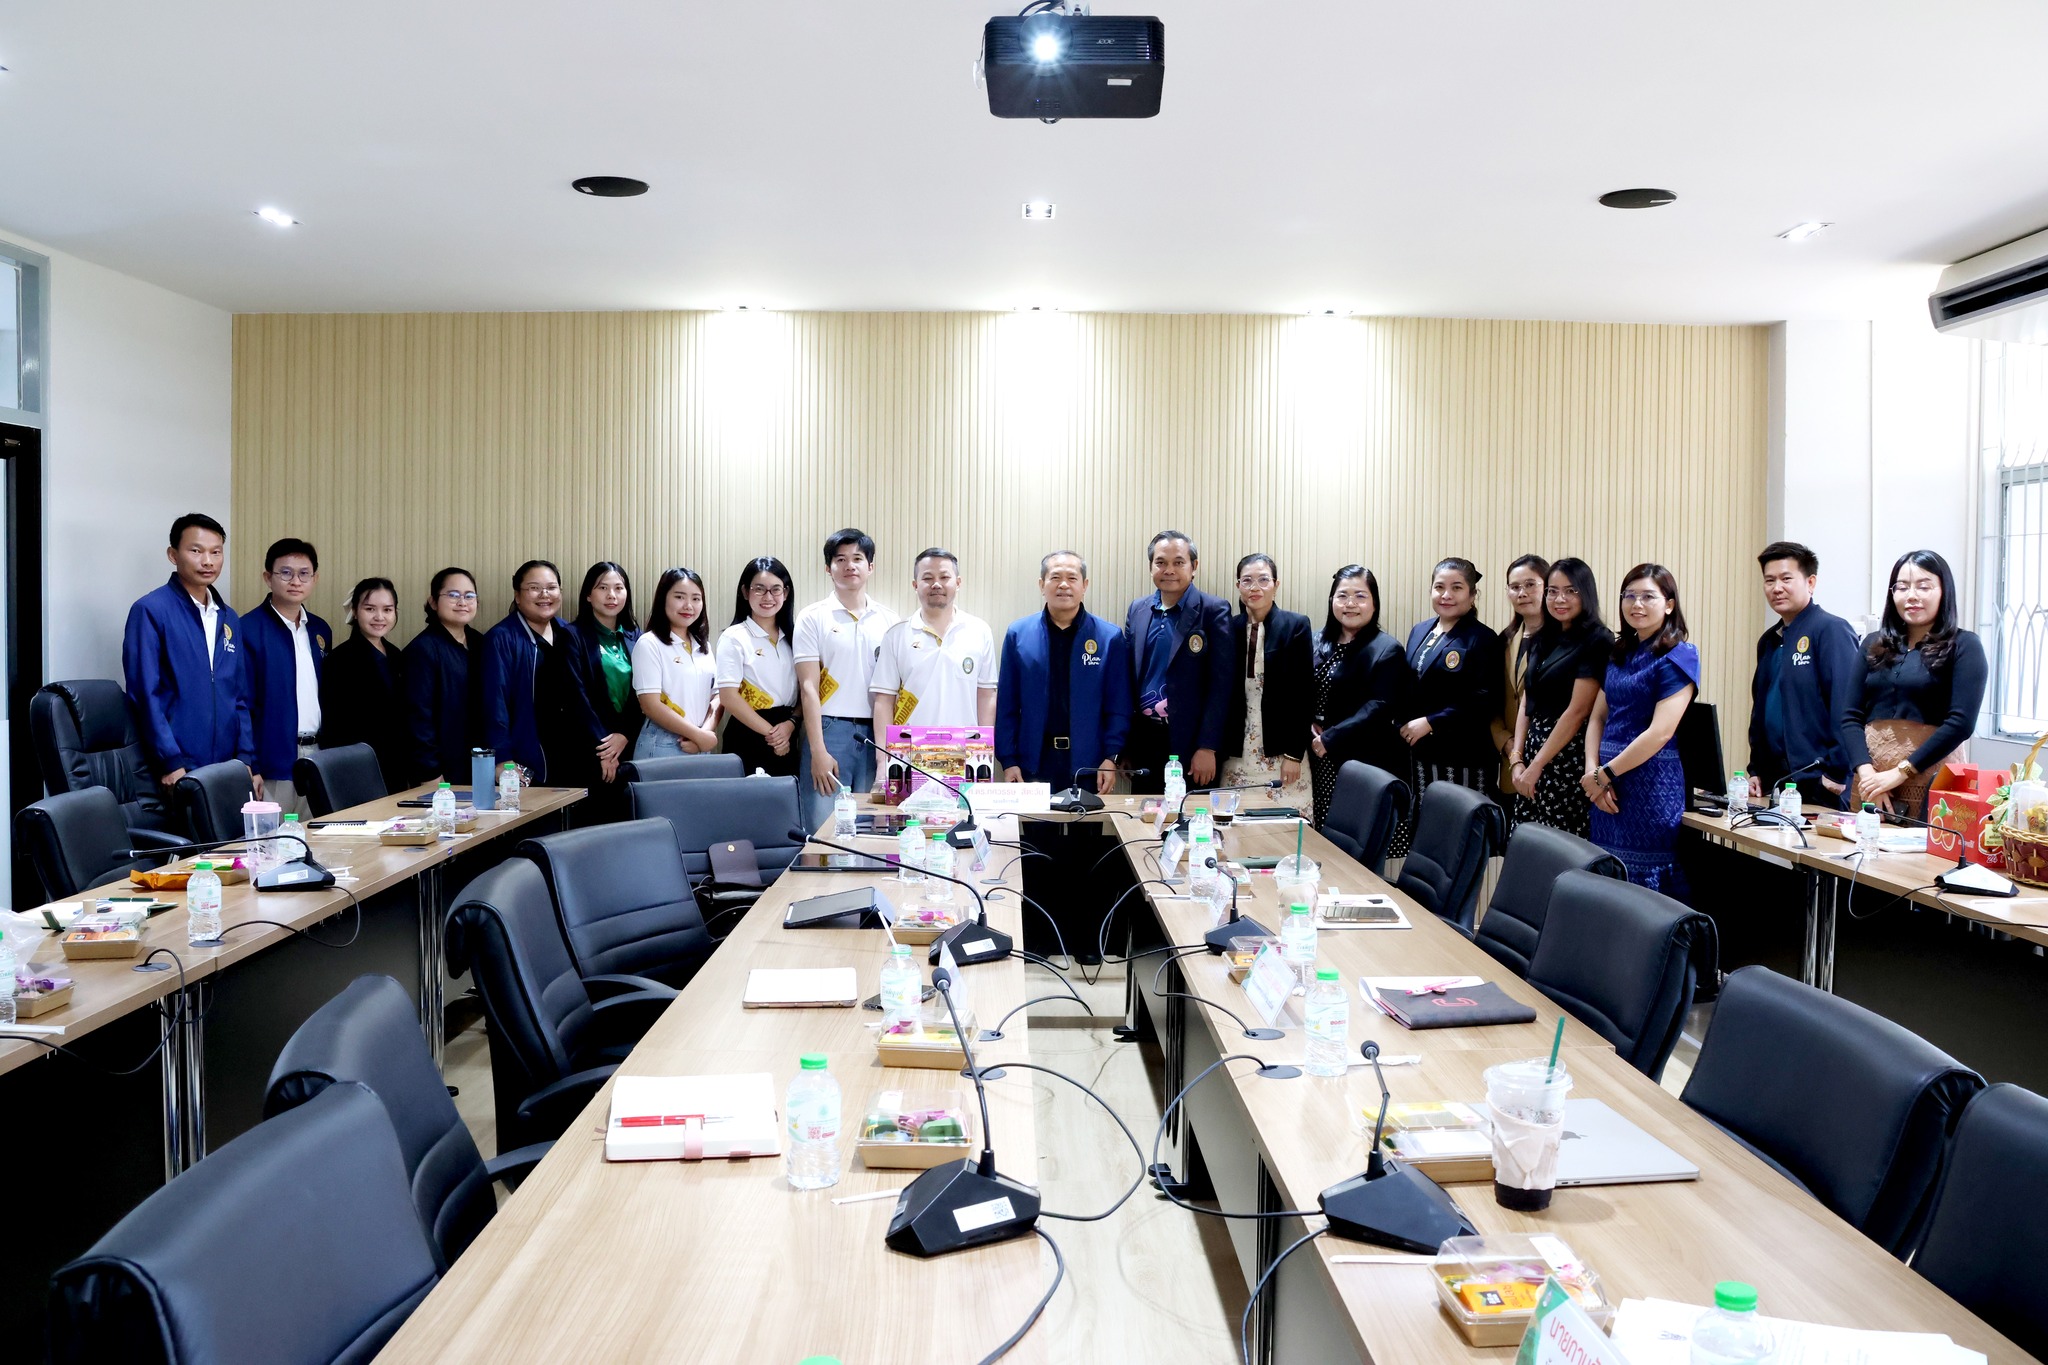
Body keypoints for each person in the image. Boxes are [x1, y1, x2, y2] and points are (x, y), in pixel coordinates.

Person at [1841, 549, 1989, 818]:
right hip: (1873, 784)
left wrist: (1900, 773)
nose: (1911, 595)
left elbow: (1961, 723)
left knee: (1927, 845)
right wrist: (1868, 774)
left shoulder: (1965, 645)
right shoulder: (1873, 644)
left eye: (1923, 586)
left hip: (1932, 776)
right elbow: (1850, 716)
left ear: (1944, 591)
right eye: (1902, 587)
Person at [1585, 564, 1701, 894]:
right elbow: (1597, 718)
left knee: (1644, 890)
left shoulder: (1680, 656)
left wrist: (1603, 775)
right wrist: (1593, 773)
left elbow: (1660, 732)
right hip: (1605, 787)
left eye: (1648, 597)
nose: (1637, 604)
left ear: (1669, 604)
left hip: (1650, 787)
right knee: (1607, 880)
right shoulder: (1619, 652)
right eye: (1629, 596)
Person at [123, 512, 257, 792]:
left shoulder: (229, 617)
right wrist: (169, 761)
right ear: (173, 555)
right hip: (178, 765)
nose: (208, 561)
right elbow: (144, 694)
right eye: (196, 551)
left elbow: (239, 696)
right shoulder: (151, 610)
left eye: (216, 552)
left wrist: (246, 758)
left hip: (226, 766)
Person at [994, 551, 1131, 789]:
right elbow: (1007, 704)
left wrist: (1111, 756)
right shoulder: (1019, 634)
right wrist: (1008, 760)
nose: (1064, 585)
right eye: (1055, 577)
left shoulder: (1109, 637)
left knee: (1086, 816)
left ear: (1084, 585)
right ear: (1042, 585)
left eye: (1072, 578)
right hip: (1033, 764)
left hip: (1089, 766)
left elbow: (1119, 705)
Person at [1393, 557, 1502, 853]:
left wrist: (1431, 722)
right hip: (1421, 756)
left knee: (1459, 842)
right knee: (1427, 839)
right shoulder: (1420, 630)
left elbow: (1484, 699)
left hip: (1463, 756)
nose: (1446, 595)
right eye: (1439, 587)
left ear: (1472, 595)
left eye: (1456, 587)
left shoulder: (1482, 638)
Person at [481, 560, 620, 791]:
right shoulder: (501, 638)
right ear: (517, 596)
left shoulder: (570, 634)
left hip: (572, 755)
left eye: (551, 587)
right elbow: (495, 703)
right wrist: (502, 758)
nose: (544, 595)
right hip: (527, 757)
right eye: (534, 588)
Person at [1746, 540, 1861, 809]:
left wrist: (1836, 772)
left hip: (1821, 781)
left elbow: (1847, 706)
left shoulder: (1831, 630)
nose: (1777, 588)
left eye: (1786, 579)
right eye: (1769, 580)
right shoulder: (1770, 640)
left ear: (1811, 583)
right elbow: (1760, 712)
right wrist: (1755, 769)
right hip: (1777, 780)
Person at [793, 529, 896, 828]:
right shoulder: (813, 617)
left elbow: (893, 692)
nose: (850, 566)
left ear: (870, 566)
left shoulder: (889, 620)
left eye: (857, 559)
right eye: (840, 559)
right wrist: (818, 750)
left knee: (872, 825)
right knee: (824, 825)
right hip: (829, 730)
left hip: (876, 734)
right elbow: (808, 688)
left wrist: (888, 752)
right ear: (829, 568)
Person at [1121, 530, 1233, 794]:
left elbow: (1222, 685)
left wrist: (1207, 746)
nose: (1169, 570)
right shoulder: (1138, 610)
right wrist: (1126, 746)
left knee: (1192, 816)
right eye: (1161, 562)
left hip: (1192, 744)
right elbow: (1127, 681)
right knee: (1145, 814)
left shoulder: (1213, 610)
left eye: (1178, 562)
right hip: (1145, 740)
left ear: (1194, 566)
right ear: (1151, 567)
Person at [1509, 558, 1613, 837]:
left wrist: (1536, 766)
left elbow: (1577, 712)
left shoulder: (1597, 639)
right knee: (1524, 843)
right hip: (1532, 754)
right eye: (1552, 591)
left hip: (1565, 759)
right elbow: (1527, 700)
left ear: (1586, 593)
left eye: (1570, 591)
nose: (1559, 599)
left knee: (1557, 845)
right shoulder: (1543, 635)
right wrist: (1517, 758)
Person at [1306, 565, 1407, 828]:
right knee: (1320, 834)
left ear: (1374, 603)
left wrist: (1330, 738)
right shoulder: (1316, 641)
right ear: (1332, 600)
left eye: (1360, 596)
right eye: (1342, 596)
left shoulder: (1387, 649)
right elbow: (1299, 690)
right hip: (1315, 758)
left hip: (1362, 760)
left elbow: (1379, 706)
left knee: (1355, 836)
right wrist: (1308, 724)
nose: (1350, 604)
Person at [239, 537, 331, 814]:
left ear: (315, 579)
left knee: (315, 834)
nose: (295, 581)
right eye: (286, 573)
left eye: (304, 574)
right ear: (268, 577)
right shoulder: (248, 629)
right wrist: (250, 764)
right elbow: (241, 703)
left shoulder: (320, 630)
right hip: (272, 760)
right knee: (275, 838)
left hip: (318, 755)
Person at [1220, 553, 1312, 812]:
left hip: (1282, 752)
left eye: (1263, 580)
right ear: (1238, 585)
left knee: (1286, 825)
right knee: (1234, 821)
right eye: (1247, 580)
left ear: (1276, 584)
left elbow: (1304, 694)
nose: (1255, 587)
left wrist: (1294, 755)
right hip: (1237, 750)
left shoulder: (1295, 626)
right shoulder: (1229, 628)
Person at [871, 548, 999, 734]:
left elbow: (986, 696)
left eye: (944, 577)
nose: (936, 584)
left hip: (964, 747)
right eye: (928, 578)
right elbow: (884, 700)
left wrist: (985, 746)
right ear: (915, 585)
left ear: (958, 583)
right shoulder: (896, 636)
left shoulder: (979, 631)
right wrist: (883, 751)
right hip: (909, 747)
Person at [318, 577, 409, 790]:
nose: (379, 617)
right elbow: (335, 728)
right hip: (356, 770)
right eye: (370, 609)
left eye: (387, 610)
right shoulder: (339, 660)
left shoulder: (397, 655)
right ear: (355, 611)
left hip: (396, 765)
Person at [716, 556, 802, 777]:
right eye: (759, 589)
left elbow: (807, 689)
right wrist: (774, 735)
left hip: (787, 730)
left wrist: (790, 724)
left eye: (776, 589)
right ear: (746, 592)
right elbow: (728, 697)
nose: (768, 597)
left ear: (786, 593)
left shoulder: (795, 638)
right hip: (749, 733)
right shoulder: (734, 637)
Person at [403, 567, 487, 785]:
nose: (462, 602)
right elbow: (418, 717)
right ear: (433, 602)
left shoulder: (481, 643)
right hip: (440, 769)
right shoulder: (423, 649)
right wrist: (429, 771)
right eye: (453, 595)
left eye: (469, 596)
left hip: (478, 762)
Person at [571, 562, 641, 818]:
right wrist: (605, 750)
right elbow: (576, 697)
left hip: (631, 744)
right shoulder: (572, 635)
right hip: (591, 747)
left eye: (619, 588)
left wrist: (624, 735)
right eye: (602, 588)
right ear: (588, 595)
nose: (612, 595)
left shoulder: (635, 636)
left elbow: (642, 694)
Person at [631, 567, 720, 760]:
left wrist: (704, 734)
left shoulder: (703, 646)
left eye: (696, 599)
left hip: (700, 741)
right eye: (679, 597)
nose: (688, 605)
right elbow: (650, 705)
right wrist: (698, 736)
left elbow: (717, 696)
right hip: (663, 741)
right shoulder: (649, 643)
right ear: (663, 599)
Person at [1494, 554, 1550, 797]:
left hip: (1549, 761)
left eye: (1530, 585)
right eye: (1514, 587)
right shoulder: (1504, 640)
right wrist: (1505, 742)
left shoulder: (1563, 642)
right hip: (1509, 761)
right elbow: (1492, 699)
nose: (1522, 593)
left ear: (1547, 587)